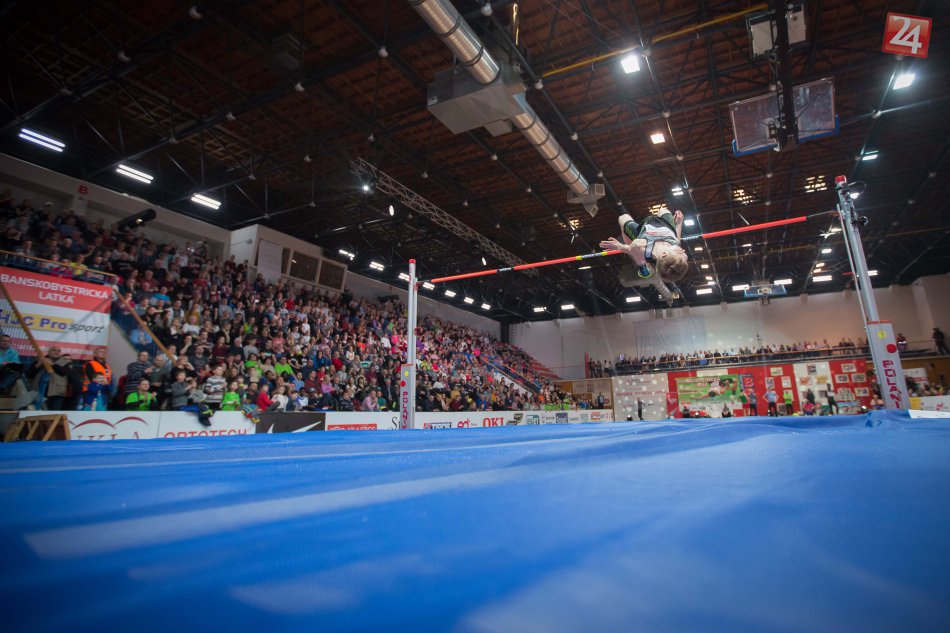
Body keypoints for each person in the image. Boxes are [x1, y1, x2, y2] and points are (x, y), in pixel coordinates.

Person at [599, 207, 688, 283]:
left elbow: (629, 249)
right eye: (685, 255)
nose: (683, 250)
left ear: (664, 254)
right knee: (663, 210)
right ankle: (641, 262)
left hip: (643, 233)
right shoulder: (676, 248)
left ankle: (642, 266)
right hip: (665, 226)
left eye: (679, 252)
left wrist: (619, 246)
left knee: (623, 217)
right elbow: (677, 241)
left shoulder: (640, 246)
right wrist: (679, 223)